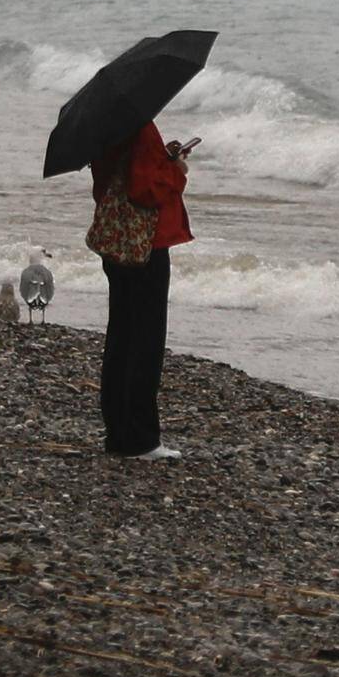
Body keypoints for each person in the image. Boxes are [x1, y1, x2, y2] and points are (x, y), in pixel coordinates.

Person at [90, 115, 197, 457]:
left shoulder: (105, 125)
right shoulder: (139, 125)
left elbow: (116, 177)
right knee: (146, 340)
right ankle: (140, 438)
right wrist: (176, 169)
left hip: (117, 240)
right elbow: (145, 189)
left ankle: (119, 433)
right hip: (146, 245)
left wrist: (162, 157)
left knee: (121, 334)